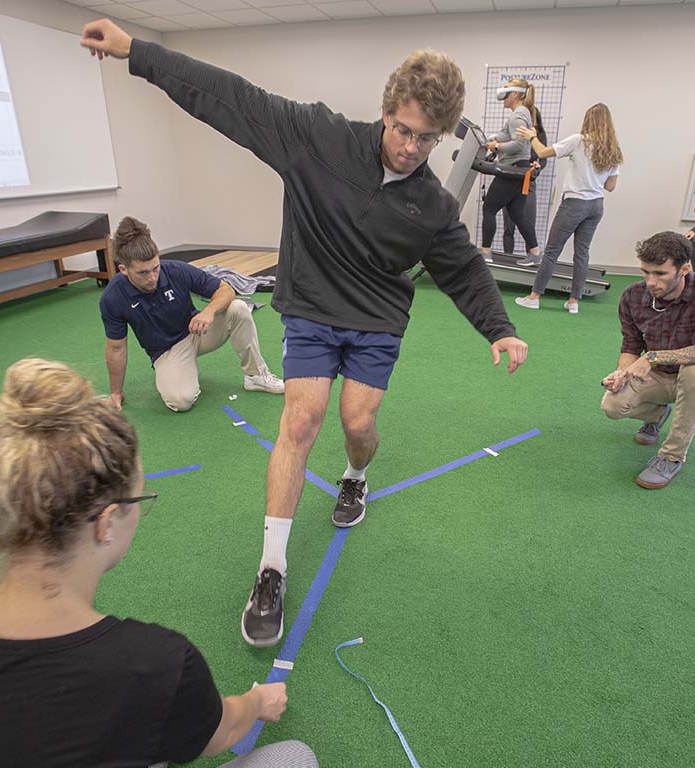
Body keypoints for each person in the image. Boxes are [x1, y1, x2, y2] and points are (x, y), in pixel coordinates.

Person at [80, 21, 529, 648]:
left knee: (358, 423)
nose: (411, 148)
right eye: (403, 130)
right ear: (386, 112)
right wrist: (137, 51)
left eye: (427, 138)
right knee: (300, 419)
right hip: (313, 306)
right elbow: (231, 97)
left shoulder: (431, 203)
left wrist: (498, 328)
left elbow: (463, 269)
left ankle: (355, 475)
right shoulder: (318, 137)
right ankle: (271, 569)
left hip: (376, 317)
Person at [0, 358, 318, 768]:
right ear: (106, 523)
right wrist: (256, 701)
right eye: (138, 500)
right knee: (295, 757)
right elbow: (219, 734)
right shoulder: (153, 664)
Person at [101, 216, 284, 413]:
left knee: (238, 308)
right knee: (181, 401)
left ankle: (256, 376)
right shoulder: (113, 297)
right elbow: (116, 348)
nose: (152, 277)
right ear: (124, 269)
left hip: (197, 331)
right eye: (143, 273)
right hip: (167, 351)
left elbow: (226, 290)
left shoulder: (176, 270)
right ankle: (180, 371)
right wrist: (116, 393)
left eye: (155, 268)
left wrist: (208, 311)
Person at [600, 232, 695, 489]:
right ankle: (659, 415)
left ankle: (671, 457)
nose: (651, 282)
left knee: (693, 369)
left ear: (684, 269)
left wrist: (653, 357)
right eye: (645, 272)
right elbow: (631, 345)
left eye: (660, 274)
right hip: (658, 376)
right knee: (612, 405)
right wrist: (621, 373)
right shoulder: (632, 296)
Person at [514, 103, 622, 313]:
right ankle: (573, 302)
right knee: (582, 253)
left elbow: (542, 152)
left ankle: (534, 297)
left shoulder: (578, 141)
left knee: (552, 251)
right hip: (596, 205)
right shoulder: (613, 150)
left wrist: (532, 136)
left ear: (588, 120)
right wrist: (594, 178)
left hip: (574, 203)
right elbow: (610, 186)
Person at [480, 79, 541, 262]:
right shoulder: (522, 113)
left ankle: (485, 253)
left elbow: (519, 144)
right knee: (517, 214)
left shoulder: (517, 115)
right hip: (521, 169)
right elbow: (509, 134)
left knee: (489, 208)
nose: (503, 95)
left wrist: (497, 147)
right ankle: (535, 253)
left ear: (515, 94)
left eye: (507, 91)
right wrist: (494, 138)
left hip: (512, 169)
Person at [502, 106, 547, 254]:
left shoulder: (539, 135)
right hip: (510, 180)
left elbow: (543, 159)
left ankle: (531, 258)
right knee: (509, 227)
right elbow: (505, 150)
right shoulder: (514, 131)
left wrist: (536, 168)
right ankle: (507, 260)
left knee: (528, 225)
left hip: (528, 182)